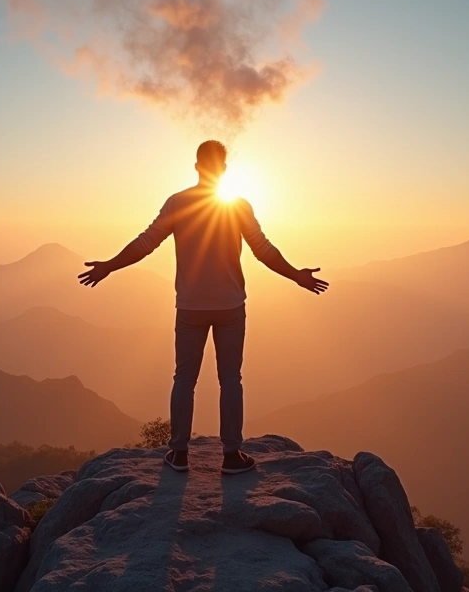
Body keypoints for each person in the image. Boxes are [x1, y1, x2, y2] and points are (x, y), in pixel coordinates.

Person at [78, 140, 328, 474]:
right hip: (230, 306)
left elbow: (145, 243)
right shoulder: (238, 205)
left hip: (191, 307)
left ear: (197, 166)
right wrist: (296, 275)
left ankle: (179, 454)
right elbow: (263, 250)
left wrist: (110, 265)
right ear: (223, 168)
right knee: (231, 380)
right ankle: (231, 455)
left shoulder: (178, 203)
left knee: (184, 378)